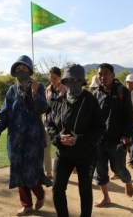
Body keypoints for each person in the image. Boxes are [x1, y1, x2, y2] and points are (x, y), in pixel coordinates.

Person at [0, 55, 47, 216]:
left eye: (24, 68)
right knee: (18, 171)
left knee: (31, 171)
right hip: (15, 138)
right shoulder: (11, 90)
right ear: (14, 72)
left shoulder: (39, 86)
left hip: (33, 138)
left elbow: (42, 109)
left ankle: (40, 193)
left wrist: (35, 94)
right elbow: (4, 113)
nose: (21, 71)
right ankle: (26, 204)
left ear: (29, 70)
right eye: (18, 69)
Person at [47, 63, 105, 217]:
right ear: (64, 81)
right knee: (57, 189)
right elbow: (51, 125)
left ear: (81, 81)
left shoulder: (90, 101)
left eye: (75, 79)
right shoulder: (58, 102)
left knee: (85, 190)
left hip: (86, 154)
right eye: (68, 79)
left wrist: (79, 139)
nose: (72, 82)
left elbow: (100, 129)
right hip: (63, 154)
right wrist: (58, 138)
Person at [93, 63, 133, 207]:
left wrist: (127, 136)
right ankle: (106, 197)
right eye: (100, 74)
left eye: (106, 73)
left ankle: (127, 181)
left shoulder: (121, 91)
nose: (102, 76)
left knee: (118, 168)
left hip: (117, 140)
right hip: (99, 140)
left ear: (113, 75)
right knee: (100, 170)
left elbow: (130, 116)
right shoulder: (96, 94)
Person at [44, 67, 67, 179]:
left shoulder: (65, 89)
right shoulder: (48, 89)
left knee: (61, 148)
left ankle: (64, 170)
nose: (52, 80)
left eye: (55, 77)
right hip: (49, 123)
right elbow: (45, 105)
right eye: (51, 77)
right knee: (46, 146)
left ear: (60, 77)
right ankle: (48, 171)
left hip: (61, 124)